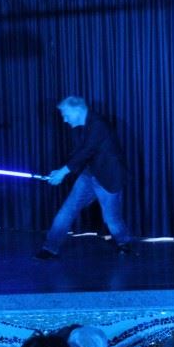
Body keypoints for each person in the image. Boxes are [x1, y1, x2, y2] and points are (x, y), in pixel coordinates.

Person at [35, 96, 132, 260]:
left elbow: (87, 150)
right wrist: (60, 171)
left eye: (66, 115)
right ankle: (50, 248)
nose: (65, 120)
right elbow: (80, 152)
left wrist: (63, 172)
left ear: (77, 110)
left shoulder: (98, 124)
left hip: (109, 178)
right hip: (89, 174)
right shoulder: (85, 126)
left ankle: (124, 243)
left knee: (111, 218)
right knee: (67, 210)